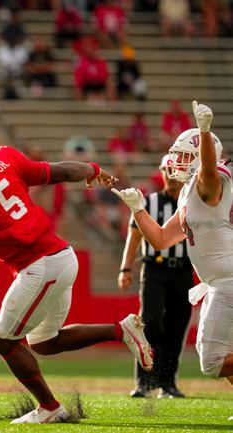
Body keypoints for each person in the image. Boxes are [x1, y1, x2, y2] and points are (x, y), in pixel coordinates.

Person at [0, 132, 153, 424]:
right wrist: (93, 170)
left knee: (3, 342)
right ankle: (121, 330)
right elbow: (58, 170)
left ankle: (50, 407)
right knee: (43, 342)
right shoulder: (6, 159)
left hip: (40, 267)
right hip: (62, 255)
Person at [114, 101, 233, 419]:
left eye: (183, 156)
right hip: (219, 281)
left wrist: (205, 132)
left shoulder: (210, 182)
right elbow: (162, 239)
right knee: (221, 355)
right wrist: (138, 209)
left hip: (227, 280)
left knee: (211, 361)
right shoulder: (189, 193)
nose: (176, 162)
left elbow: (208, 170)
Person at [118, 155, 192, 399]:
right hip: (154, 269)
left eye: (176, 170)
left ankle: (168, 384)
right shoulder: (148, 202)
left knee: (177, 326)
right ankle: (145, 382)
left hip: (183, 270)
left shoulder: (191, 202)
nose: (171, 174)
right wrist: (125, 268)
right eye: (167, 169)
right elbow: (134, 236)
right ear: (161, 172)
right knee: (149, 322)